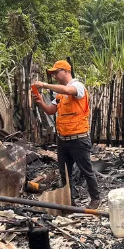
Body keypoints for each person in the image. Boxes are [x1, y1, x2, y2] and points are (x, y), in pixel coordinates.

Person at [32, 60, 101, 209]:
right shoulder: (59, 94)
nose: (55, 76)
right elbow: (51, 110)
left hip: (79, 138)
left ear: (66, 71)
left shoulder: (78, 86)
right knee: (65, 173)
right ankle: (70, 200)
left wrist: (44, 85)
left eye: (56, 72)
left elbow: (69, 91)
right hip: (63, 139)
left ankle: (95, 198)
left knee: (86, 170)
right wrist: (41, 102)